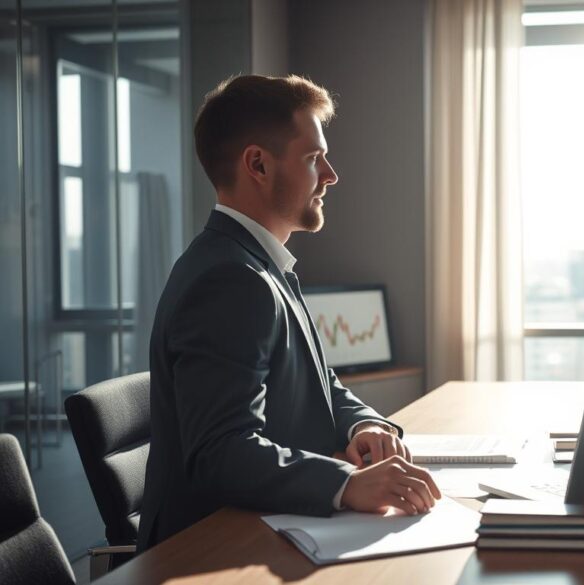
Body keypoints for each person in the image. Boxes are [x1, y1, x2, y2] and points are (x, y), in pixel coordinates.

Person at [138, 75, 439, 551]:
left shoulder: (259, 265)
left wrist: (364, 425)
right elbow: (221, 452)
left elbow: (322, 384)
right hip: (208, 549)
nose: (331, 174)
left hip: (264, 526)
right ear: (257, 164)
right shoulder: (229, 280)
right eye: (313, 158)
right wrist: (346, 483)